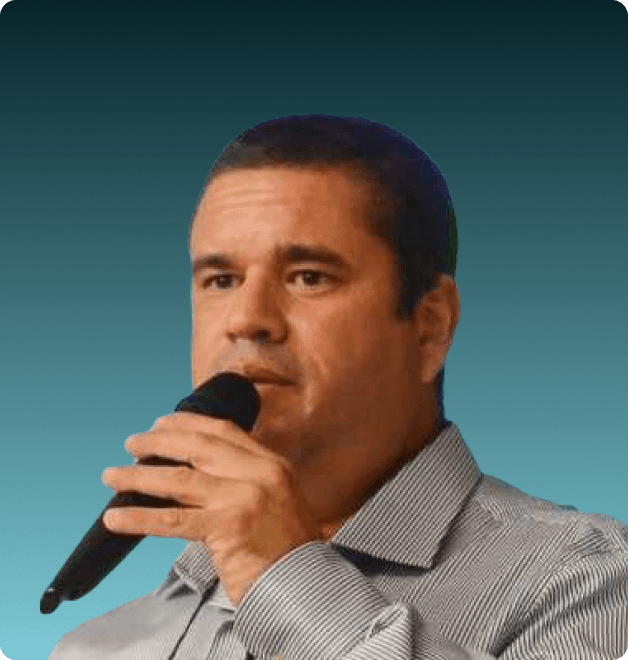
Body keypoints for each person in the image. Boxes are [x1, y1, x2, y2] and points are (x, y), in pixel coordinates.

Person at [49, 115, 628, 660]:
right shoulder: (93, 648)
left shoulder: (586, 578)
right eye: (221, 280)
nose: (246, 319)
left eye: (309, 277)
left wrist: (283, 575)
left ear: (430, 327)